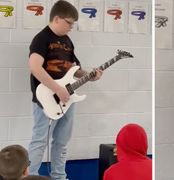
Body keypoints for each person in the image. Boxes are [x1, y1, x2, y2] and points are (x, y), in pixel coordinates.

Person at [27, 1, 102, 179]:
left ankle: (59, 176)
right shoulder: (41, 38)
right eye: (69, 23)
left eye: (73, 24)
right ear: (57, 18)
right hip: (45, 98)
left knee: (62, 141)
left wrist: (90, 74)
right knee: (39, 141)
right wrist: (57, 89)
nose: (71, 27)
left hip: (67, 98)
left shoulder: (68, 41)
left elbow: (74, 70)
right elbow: (35, 67)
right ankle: (31, 176)